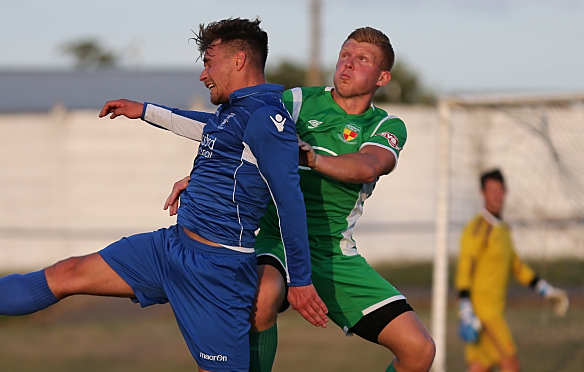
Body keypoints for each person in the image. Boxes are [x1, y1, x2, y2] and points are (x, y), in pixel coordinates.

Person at [0, 17, 328, 372]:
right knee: (68, 273)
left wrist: (302, 280)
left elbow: (288, 199)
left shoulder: (265, 118)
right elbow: (200, 126)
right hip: (170, 247)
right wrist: (143, 110)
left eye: (209, 61)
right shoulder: (233, 114)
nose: (203, 72)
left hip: (215, 271)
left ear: (239, 59)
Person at [165, 27, 436, 372]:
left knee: (419, 349)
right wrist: (200, 179)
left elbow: (369, 166)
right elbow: (234, 135)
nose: (348, 65)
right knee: (262, 299)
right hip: (274, 237)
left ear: (383, 77)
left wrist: (314, 159)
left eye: (362, 60)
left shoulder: (386, 124)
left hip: (332, 252)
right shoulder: (296, 101)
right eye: (344, 55)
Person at [455, 169, 569, 372]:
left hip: (494, 310)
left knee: (480, 367)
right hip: (483, 315)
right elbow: (464, 271)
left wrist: (546, 291)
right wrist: (466, 310)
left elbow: (516, 266)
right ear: (483, 194)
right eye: (491, 191)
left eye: (500, 190)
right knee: (511, 363)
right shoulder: (477, 229)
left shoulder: (503, 228)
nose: (496, 196)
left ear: (505, 192)